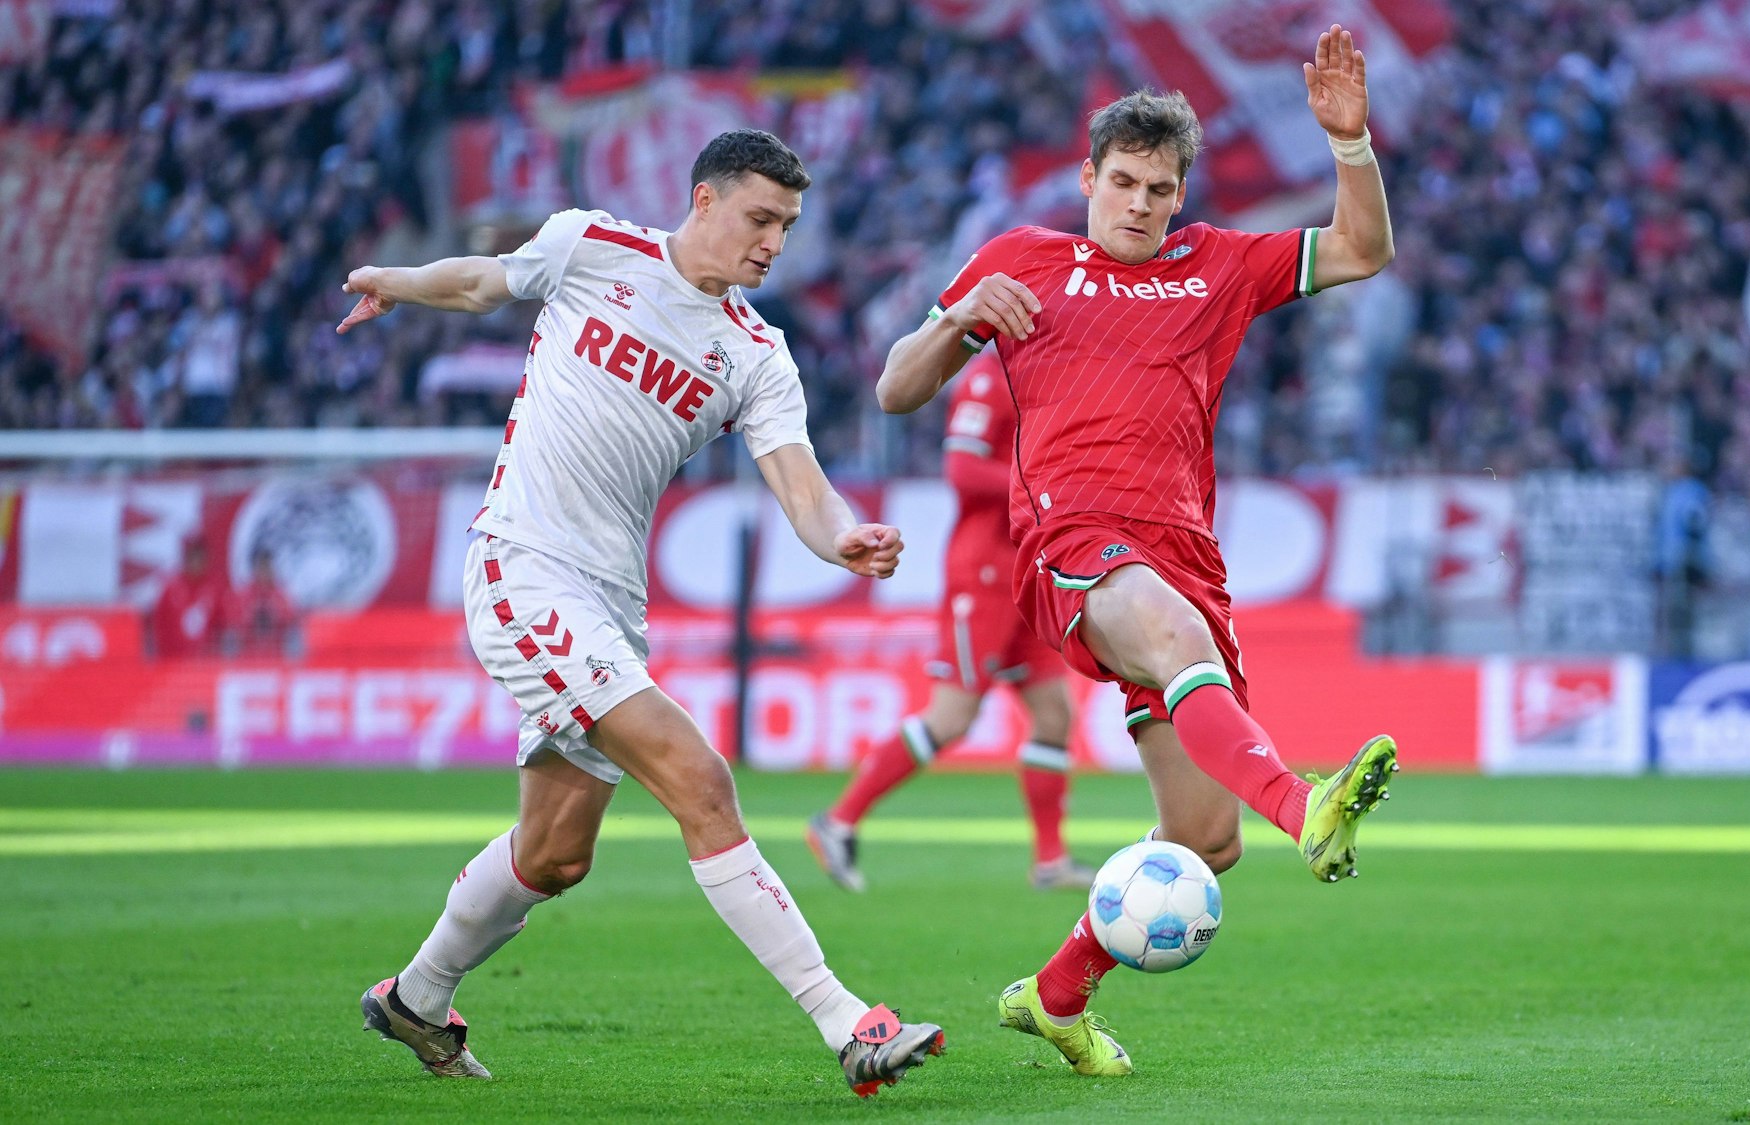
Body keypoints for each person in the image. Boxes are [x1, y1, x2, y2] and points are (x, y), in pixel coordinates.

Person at [335, 130, 945, 1098]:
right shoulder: (594, 246)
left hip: (611, 605)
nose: (772, 243)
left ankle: (415, 998)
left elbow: (802, 486)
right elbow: (482, 284)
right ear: (702, 200)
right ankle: (847, 1022)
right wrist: (399, 279)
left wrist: (841, 539)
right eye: (758, 218)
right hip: (522, 568)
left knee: (555, 853)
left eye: (787, 226)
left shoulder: (755, 353)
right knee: (698, 778)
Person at [874, 26, 1397, 1077]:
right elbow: (895, 387)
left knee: (1204, 842)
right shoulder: (1019, 263)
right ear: (1086, 178)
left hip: (1184, 557)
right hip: (1072, 542)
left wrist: (1349, 146)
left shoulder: (1216, 263)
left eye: (1161, 188)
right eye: (1123, 183)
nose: (1142, 205)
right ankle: (1306, 806)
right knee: (1167, 630)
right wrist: (957, 317)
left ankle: (1054, 995)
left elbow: (1360, 250)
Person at [807, 350, 1094, 894]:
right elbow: (963, 471)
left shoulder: (1050, 374)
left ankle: (1051, 862)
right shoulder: (989, 377)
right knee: (954, 715)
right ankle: (838, 821)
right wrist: (1039, 485)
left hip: (1031, 570)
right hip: (983, 574)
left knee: (1054, 712)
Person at [144, 537, 228, 660]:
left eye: (200, 557)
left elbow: (223, 624)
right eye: (192, 557)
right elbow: (157, 624)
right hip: (173, 662)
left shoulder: (215, 588)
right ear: (185, 559)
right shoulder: (171, 588)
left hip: (205, 664)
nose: (196, 562)